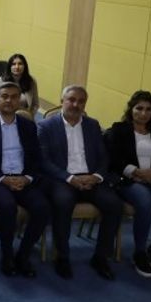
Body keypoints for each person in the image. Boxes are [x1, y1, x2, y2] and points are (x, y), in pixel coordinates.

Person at [37, 85, 120, 280]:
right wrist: (70, 178)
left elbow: (103, 157)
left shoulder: (92, 125)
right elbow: (43, 161)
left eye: (81, 101)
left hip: (91, 178)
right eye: (71, 100)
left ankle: (100, 257)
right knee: (63, 202)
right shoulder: (46, 126)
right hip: (62, 179)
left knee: (114, 205)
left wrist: (97, 176)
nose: (76, 104)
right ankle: (62, 257)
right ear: (61, 101)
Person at [0, 82, 51, 278]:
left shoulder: (28, 125)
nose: (9, 100)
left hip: (22, 179)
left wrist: (27, 177)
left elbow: (36, 158)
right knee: (8, 207)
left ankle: (23, 255)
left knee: (42, 207)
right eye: (5, 96)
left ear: (20, 100)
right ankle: (7, 255)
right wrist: (2, 179)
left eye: (14, 96)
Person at [106, 90, 151, 278]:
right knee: (145, 202)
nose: (143, 113)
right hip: (129, 180)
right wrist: (136, 171)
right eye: (139, 108)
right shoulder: (120, 129)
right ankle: (139, 252)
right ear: (131, 109)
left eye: (148, 109)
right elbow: (114, 160)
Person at [0, 53, 39, 118]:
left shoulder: (31, 81)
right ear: (9, 66)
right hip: (4, 116)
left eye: (20, 64)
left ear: (25, 66)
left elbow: (35, 104)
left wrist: (30, 115)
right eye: (13, 64)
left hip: (24, 117)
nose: (17, 67)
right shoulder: (2, 80)